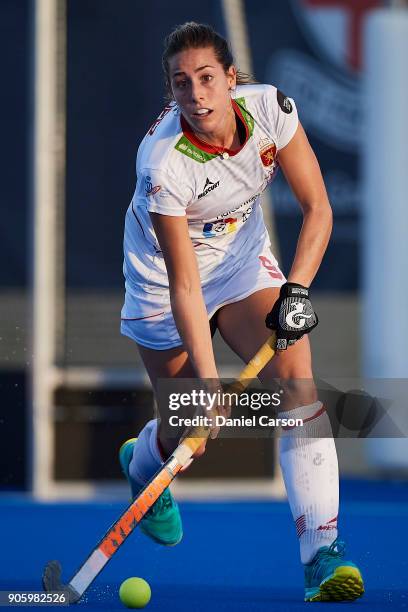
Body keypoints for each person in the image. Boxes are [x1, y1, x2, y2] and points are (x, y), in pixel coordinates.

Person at [119, 22, 364, 603]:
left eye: (207, 79)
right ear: (171, 92)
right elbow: (183, 284)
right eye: (182, 84)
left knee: (297, 388)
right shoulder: (162, 164)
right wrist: (206, 385)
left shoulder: (272, 110)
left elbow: (318, 207)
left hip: (240, 264)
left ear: (231, 78)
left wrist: (296, 292)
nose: (197, 95)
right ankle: (143, 457)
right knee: (191, 434)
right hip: (162, 283)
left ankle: (321, 558)